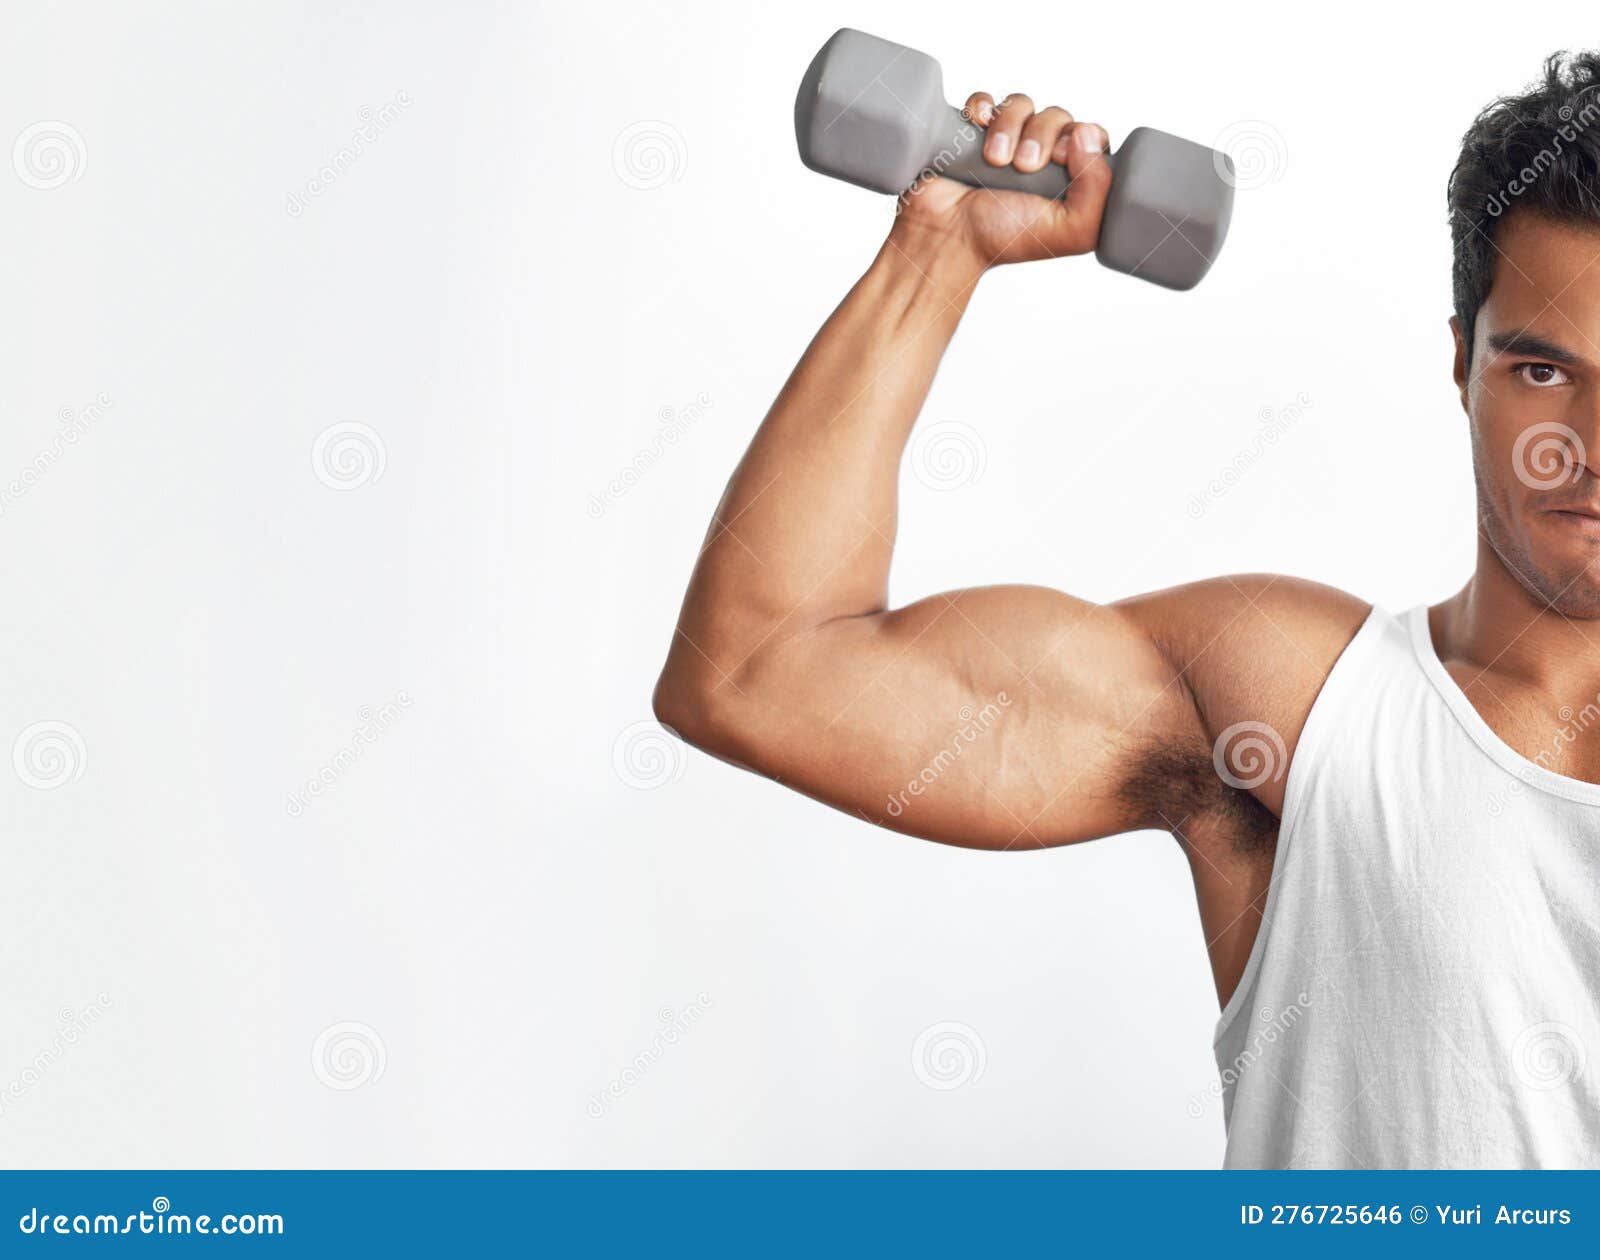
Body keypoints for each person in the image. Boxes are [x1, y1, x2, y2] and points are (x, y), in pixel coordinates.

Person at [652, 52, 1600, 1168]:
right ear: (1462, 364)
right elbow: (762, 674)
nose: (1585, 448)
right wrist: (936, 255)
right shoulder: (1295, 709)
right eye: (1543, 372)